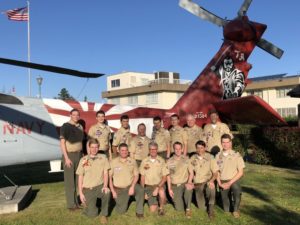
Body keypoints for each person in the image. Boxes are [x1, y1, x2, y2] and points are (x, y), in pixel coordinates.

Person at [76, 138, 110, 224]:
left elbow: (106, 173)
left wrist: (105, 186)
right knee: (92, 215)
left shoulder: (103, 157)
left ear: (98, 148)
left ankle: (104, 215)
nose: (94, 149)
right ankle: (88, 207)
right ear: (89, 148)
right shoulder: (84, 160)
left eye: (96, 147)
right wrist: (80, 193)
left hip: (99, 186)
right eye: (92, 147)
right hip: (88, 189)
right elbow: (80, 176)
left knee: (107, 192)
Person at [109, 143, 144, 218]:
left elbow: (136, 175)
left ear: (128, 151)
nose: (124, 152)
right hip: (119, 189)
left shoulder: (132, 161)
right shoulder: (113, 162)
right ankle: (116, 200)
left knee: (140, 190)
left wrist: (132, 186)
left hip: (130, 186)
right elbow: (109, 178)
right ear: (118, 151)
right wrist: (113, 191)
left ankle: (139, 212)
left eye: (126, 150)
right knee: (121, 211)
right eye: (122, 150)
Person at [60, 108, 84, 210]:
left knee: (78, 180)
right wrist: (66, 158)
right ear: (70, 115)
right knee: (70, 182)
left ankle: (76, 202)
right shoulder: (65, 126)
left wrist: (82, 155)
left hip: (79, 155)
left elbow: (81, 142)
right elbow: (62, 143)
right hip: (69, 156)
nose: (76, 116)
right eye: (74, 115)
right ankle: (71, 205)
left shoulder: (80, 127)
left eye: (77, 115)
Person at [216, 134, 245, 218]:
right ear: (221, 143)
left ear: (230, 143)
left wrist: (229, 183)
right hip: (222, 181)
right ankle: (228, 207)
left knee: (236, 189)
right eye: (223, 142)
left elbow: (241, 172)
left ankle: (236, 210)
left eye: (227, 142)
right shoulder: (218, 156)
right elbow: (216, 172)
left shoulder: (236, 155)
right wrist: (219, 183)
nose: (225, 144)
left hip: (233, 180)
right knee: (226, 209)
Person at [189, 140, 218, 219]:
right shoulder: (192, 158)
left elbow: (216, 173)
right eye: (198, 148)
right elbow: (191, 173)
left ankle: (211, 210)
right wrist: (190, 182)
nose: (199, 150)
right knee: (201, 208)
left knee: (211, 188)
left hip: (207, 182)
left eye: (201, 148)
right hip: (198, 184)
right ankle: (206, 203)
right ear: (196, 148)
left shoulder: (210, 157)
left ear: (205, 148)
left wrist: (211, 181)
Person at [140, 142, 169, 216]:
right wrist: (143, 191)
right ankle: (161, 199)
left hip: (159, 185)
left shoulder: (162, 161)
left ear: (157, 150)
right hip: (148, 186)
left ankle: (161, 208)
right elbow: (142, 177)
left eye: (154, 149)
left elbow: (165, 177)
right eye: (151, 149)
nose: (153, 151)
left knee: (161, 192)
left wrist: (157, 187)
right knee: (152, 210)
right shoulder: (144, 161)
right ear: (149, 150)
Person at [167, 142, 193, 218]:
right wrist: (169, 189)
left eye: (179, 149)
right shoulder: (169, 161)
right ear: (173, 149)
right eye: (176, 149)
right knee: (179, 209)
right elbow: (168, 176)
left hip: (184, 184)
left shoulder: (186, 159)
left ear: (182, 149)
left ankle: (188, 209)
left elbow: (191, 173)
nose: (178, 150)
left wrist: (189, 183)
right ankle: (182, 200)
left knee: (188, 189)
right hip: (175, 186)